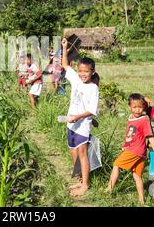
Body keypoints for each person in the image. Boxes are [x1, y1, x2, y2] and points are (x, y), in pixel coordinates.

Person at [106, 93, 154, 204]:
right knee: (137, 175)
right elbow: (130, 134)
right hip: (138, 152)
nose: (137, 110)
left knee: (116, 165)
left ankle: (109, 189)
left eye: (140, 107)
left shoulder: (143, 120)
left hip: (135, 150)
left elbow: (150, 137)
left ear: (144, 107)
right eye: (134, 107)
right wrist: (125, 146)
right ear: (129, 107)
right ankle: (142, 200)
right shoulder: (131, 118)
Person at [61, 38, 100, 196]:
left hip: (82, 126)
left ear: (92, 72)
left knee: (82, 154)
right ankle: (79, 179)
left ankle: (85, 184)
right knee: (73, 152)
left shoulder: (93, 88)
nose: (83, 74)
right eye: (81, 71)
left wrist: (77, 116)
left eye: (86, 71)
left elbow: (91, 110)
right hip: (71, 124)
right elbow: (64, 64)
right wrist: (64, 48)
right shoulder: (76, 79)